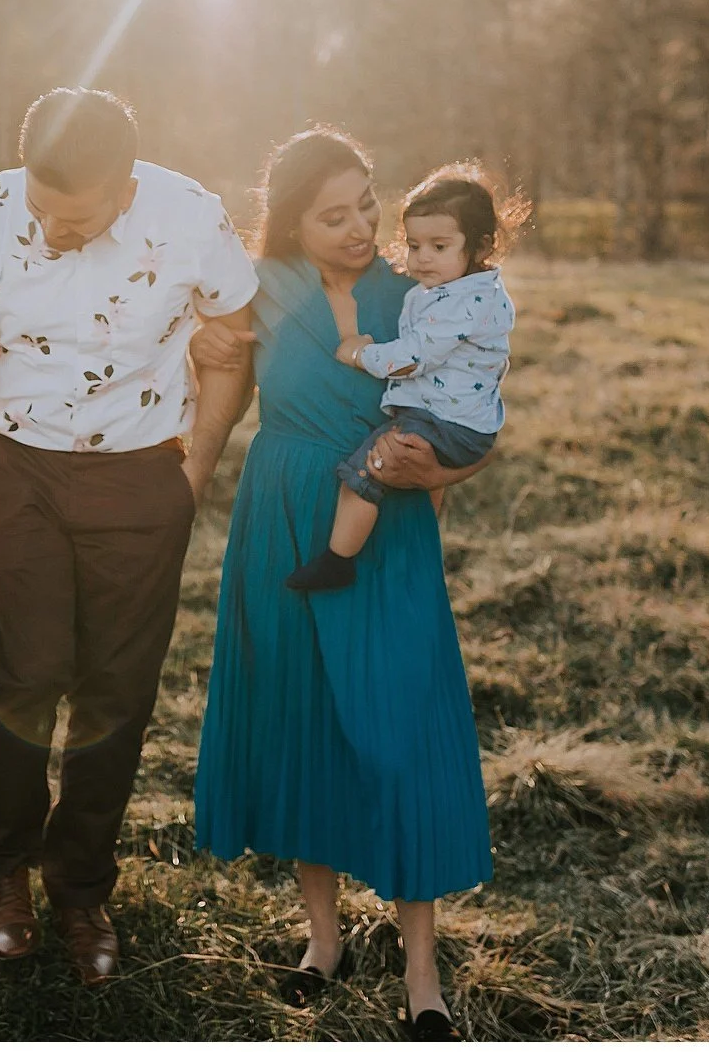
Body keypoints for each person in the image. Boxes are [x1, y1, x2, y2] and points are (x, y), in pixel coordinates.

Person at [0, 86, 258, 985]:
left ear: (127, 184)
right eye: (43, 210)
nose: (53, 230)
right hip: (21, 467)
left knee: (118, 692)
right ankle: (2, 868)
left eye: (78, 217)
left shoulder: (191, 218)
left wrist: (192, 476)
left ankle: (80, 885)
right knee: (25, 673)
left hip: (144, 477)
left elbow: (233, 346)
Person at [188, 127, 496, 1040]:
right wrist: (179, 484)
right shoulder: (256, 288)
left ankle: (422, 966)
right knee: (299, 722)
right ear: (290, 224)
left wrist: (435, 477)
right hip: (280, 512)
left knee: (398, 731)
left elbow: (476, 411)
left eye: (368, 202)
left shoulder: (420, 293)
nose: (363, 226)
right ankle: (323, 938)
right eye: (335, 215)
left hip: (386, 522)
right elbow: (214, 390)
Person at [286, 164, 522, 593]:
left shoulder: (465, 303)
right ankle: (403, 544)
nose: (422, 258)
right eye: (414, 245)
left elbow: (414, 358)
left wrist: (360, 353)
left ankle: (339, 560)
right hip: (463, 419)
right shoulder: (461, 289)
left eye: (438, 246)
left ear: (481, 246)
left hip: (448, 423)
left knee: (367, 468)